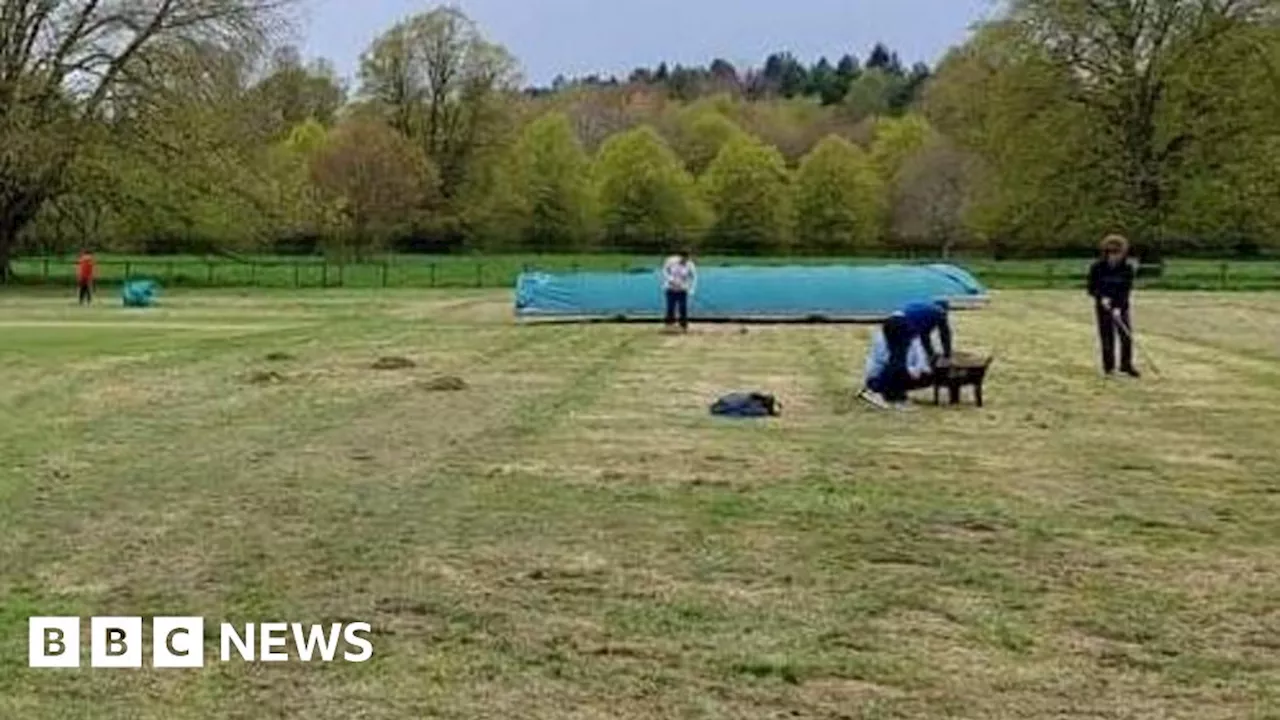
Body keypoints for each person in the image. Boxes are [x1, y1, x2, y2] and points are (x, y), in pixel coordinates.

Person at [1087, 234, 1140, 377]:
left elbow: (1126, 289)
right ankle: (1109, 367)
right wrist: (1101, 297)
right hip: (1103, 307)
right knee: (1107, 336)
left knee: (1126, 336)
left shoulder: (1127, 268)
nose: (1113, 256)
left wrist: (1118, 307)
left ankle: (1126, 365)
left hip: (1121, 306)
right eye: (1110, 253)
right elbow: (1091, 288)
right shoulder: (1097, 268)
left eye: (1116, 253)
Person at [858, 313, 933, 411]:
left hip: (907, 370)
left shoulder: (912, 336)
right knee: (896, 366)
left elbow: (921, 356)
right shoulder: (883, 341)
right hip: (881, 374)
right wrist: (908, 369)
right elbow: (885, 363)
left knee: (926, 375)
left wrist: (918, 368)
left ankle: (896, 394)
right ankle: (874, 391)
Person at [661, 249, 697, 331]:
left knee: (683, 307)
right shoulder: (671, 260)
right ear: (680, 257)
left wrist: (692, 289)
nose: (685, 260)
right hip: (670, 288)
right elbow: (664, 270)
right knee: (670, 307)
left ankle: (683, 325)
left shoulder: (690, 264)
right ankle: (669, 325)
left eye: (687, 259)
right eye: (683, 258)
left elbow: (694, 277)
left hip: (682, 289)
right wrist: (671, 279)